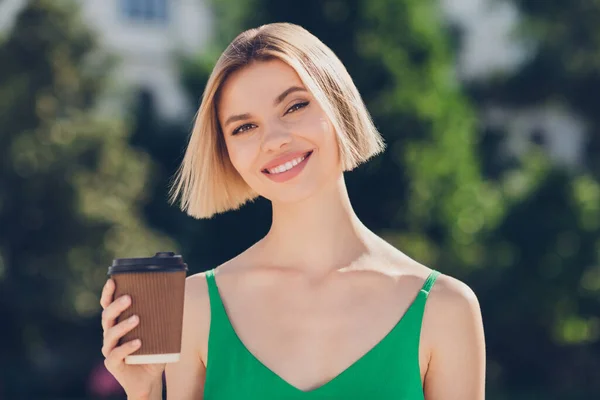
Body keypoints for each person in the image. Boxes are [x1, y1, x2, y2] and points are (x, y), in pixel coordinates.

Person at [100, 22, 486, 400]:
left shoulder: (445, 310)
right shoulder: (196, 307)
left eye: (295, 106)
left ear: (337, 105)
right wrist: (145, 391)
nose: (274, 140)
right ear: (227, 154)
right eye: (244, 128)